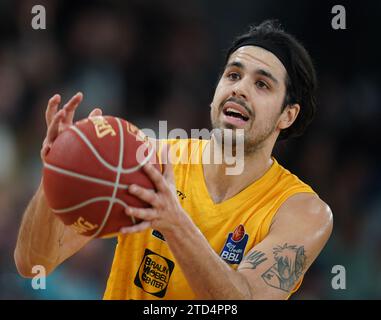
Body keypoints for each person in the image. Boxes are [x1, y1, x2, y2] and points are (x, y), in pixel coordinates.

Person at [14, 20, 333, 300]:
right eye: (233, 75)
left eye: (261, 84)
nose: (240, 89)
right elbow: (33, 264)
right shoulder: (146, 160)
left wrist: (173, 220)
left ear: (288, 115)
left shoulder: (302, 211)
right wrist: (56, 173)